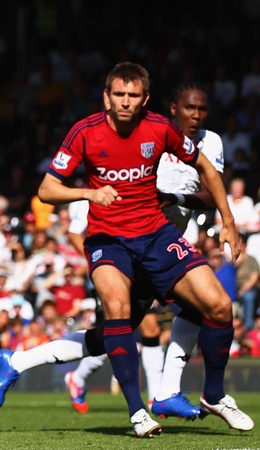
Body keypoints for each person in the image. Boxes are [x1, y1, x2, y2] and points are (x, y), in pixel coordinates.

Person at [0, 63, 248, 437]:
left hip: (158, 237)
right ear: (107, 97)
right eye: (119, 95)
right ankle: (140, 410)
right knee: (119, 318)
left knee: (217, 306)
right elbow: (47, 190)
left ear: (145, 99)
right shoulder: (85, 132)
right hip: (109, 240)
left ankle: (208, 394)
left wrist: (228, 221)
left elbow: (208, 171)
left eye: (133, 96)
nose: (125, 102)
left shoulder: (161, 128)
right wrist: (89, 192)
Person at [65, 82, 232, 421]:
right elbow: (77, 222)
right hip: (126, 245)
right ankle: (80, 375)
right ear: (173, 108)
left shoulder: (208, 142)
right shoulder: (131, 148)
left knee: (190, 313)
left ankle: (164, 392)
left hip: (170, 242)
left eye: (202, 110)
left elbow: (211, 190)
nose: (196, 116)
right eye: (189, 108)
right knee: (122, 325)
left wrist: (177, 200)